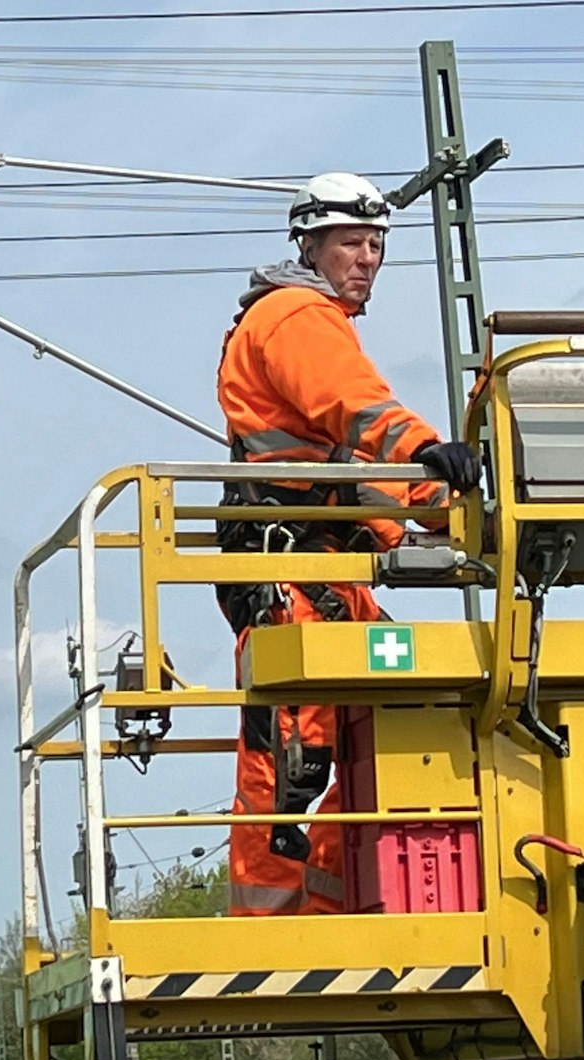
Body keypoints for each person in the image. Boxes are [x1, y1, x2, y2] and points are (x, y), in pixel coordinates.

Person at [214, 171, 482, 917]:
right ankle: (269, 925)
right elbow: (359, 407)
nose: (366, 258)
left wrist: (447, 508)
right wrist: (434, 452)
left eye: (375, 245)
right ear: (309, 244)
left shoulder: (300, 319)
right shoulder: (297, 316)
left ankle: (332, 904)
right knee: (295, 753)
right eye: (350, 243)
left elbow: (365, 472)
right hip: (292, 571)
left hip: (324, 570)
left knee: (398, 718)